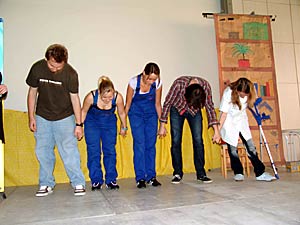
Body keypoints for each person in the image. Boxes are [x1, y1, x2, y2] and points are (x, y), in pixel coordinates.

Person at [26, 44, 86, 197]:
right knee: (43, 151)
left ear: (64, 62)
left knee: (69, 151)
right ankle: (46, 183)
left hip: (65, 117)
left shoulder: (70, 74)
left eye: (58, 67)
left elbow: (75, 99)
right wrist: (31, 117)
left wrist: (79, 124)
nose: (54, 69)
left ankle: (78, 182)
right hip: (42, 116)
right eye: (51, 65)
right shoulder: (37, 68)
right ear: (47, 59)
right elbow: (32, 93)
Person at [158, 76, 221, 184]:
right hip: (177, 110)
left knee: (198, 140)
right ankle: (177, 173)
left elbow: (210, 107)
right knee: (176, 141)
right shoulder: (178, 84)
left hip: (195, 112)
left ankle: (201, 173)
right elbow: (167, 103)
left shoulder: (205, 86)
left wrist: (216, 131)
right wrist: (162, 125)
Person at [219, 77, 276, 182]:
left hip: (242, 120)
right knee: (232, 149)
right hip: (229, 121)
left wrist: (258, 115)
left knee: (251, 147)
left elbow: (253, 104)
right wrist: (218, 131)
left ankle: (260, 173)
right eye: (242, 94)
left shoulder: (251, 90)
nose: (244, 96)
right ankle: (238, 172)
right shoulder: (228, 92)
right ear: (237, 89)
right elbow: (224, 114)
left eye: (246, 94)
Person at [82, 76, 127, 190]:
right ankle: (96, 180)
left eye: (110, 97)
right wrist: (79, 126)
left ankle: (111, 180)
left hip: (109, 123)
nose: (107, 100)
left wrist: (124, 127)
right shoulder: (91, 97)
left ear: (114, 92)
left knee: (110, 151)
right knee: (94, 151)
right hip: (92, 123)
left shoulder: (118, 97)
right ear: (99, 92)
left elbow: (121, 113)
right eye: (104, 97)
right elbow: (83, 111)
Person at [125, 62, 162, 188]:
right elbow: (128, 104)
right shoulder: (133, 82)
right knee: (140, 144)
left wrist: (162, 124)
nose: (151, 81)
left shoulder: (157, 83)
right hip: (136, 114)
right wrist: (123, 123)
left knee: (151, 145)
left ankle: (151, 176)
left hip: (151, 114)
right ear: (144, 73)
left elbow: (157, 104)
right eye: (149, 78)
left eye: (154, 79)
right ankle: (140, 178)